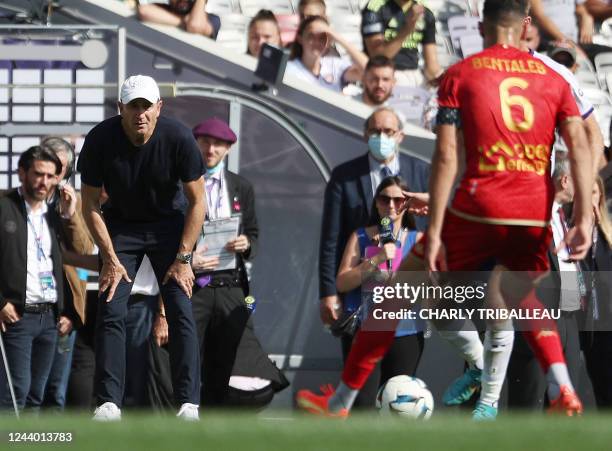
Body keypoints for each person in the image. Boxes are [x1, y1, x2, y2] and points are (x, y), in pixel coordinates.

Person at [298, 0, 592, 419]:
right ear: (525, 26)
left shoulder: (462, 73)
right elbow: (580, 144)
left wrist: (434, 228)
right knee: (520, 296)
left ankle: (341, 403)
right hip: (530, 211)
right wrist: (581, 216)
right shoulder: (552, 77)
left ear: (481, 24)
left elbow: (447, 157)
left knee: (400, 294)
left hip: (478, 206)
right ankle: (562, 390)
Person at [77, 74, 205, 421]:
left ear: (158, 108)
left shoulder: (178, 137)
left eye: (147, 106)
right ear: (120, 108)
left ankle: (188, 403)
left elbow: (198, 202)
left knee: (179, 306)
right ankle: (108, 404)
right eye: (133, 106)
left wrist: (183, 258)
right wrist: (109, 257)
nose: (140, 114)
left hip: (169, 226)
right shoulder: (100, 139)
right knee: (111, 306)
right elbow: (88, 203)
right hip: (121, 227)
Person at [317, 107, 429, 372]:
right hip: (359, 300)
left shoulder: (421, 170)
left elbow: (432, 227)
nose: (382, 137)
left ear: (400, 135)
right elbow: (329, 240)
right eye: (376, 131)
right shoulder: (345, 176)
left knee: (399, 387)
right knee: (360, 390)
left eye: (388, 131)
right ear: (365, 134)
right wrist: (328, 294)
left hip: (406, 308)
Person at [190, 117, 288, 408]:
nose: (211, 149)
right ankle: (186, 414)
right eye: (206, 141)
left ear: (229, 148)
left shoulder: (240, 186)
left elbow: (254, 234)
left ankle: (218, 418)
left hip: (232, 284)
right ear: (196, 143)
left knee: (230, 353)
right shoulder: (183, 183)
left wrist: (246, 245)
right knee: (189, 353)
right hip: (196, 284)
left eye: (218, 144)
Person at [335, 175, 424, 408]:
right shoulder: (360, 237)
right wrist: (377, 258)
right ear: (376, 203)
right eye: (385, 199)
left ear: (407, 204)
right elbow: (342, 283)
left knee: (398, 405)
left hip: (405, 332)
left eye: (398, 200)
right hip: (364, 330)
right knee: (362, 406)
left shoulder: (418, 240)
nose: (391, 206)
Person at [0, 146, 78, 410]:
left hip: (50, 318)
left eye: (50, 176)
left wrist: (70, 216)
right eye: (38, 174)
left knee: (37, 394)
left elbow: (78, 252)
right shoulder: (4, 207)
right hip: (18, 316)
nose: (44, 181)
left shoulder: (55, 215)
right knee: (14, 392)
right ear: (22, 173)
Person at [507, 154, 584, 410]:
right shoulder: (531, 215)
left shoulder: (563, 217)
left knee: (564, 402)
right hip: (536, 319)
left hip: (567, 318)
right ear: (565, 180)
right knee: (529, 402)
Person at [40, 136, 94, 411]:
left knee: (54, 390)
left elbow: (84, 249)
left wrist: (70, 213)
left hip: (65, 311)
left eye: (58, 168)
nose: (50, 175)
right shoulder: (18, 202)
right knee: (22, 388)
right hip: (27, 306)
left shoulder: (79, 201)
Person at [580, 176, 612, 408]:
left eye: (594, 193)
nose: (590, 199)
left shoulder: (608, 237)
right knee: (600, 384)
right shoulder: (569, 235)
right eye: (585, 193)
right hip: (589, 325)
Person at [361, 0, 442, 88]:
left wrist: (444, 79)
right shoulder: (375, 8)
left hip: (414, 74)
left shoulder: (424, 11)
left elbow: (432, 65)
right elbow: (378, 57)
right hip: (382, 75)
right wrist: (408, 28)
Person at [285, 16, 368, 93]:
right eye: (311, 36)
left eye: (322, 37)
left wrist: (337, 37)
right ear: (300, 39)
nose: (317, 42)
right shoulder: (288, 69)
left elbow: (369, 72)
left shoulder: (335, 65)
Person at [137, 0, 221, 40]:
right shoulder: (164, 9)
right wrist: (184, 21)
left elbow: (195, 26)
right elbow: (143, 11)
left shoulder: (212, 19)